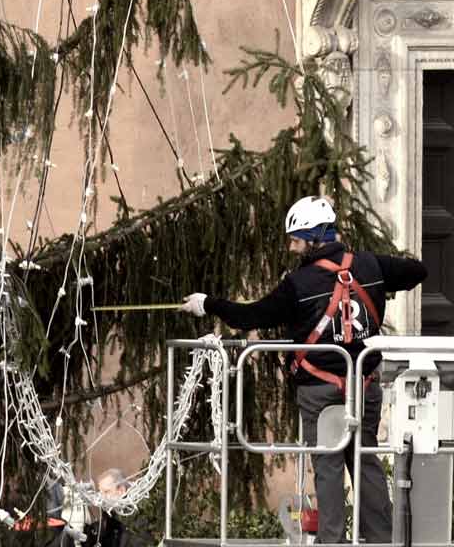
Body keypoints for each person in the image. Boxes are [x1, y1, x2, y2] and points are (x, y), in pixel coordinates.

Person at [180, 195, 427, 544]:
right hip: (364, 386)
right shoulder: (371, 266)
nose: (293, 249)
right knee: (366, 461)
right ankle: (382, 540)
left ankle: (332, 542)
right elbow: (417, 271)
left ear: (314, 237)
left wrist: (208, 304)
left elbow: (252, 315)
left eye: (296, 241)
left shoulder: (300, 284)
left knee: (327, 468)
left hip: (320, 391)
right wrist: (378, 282)